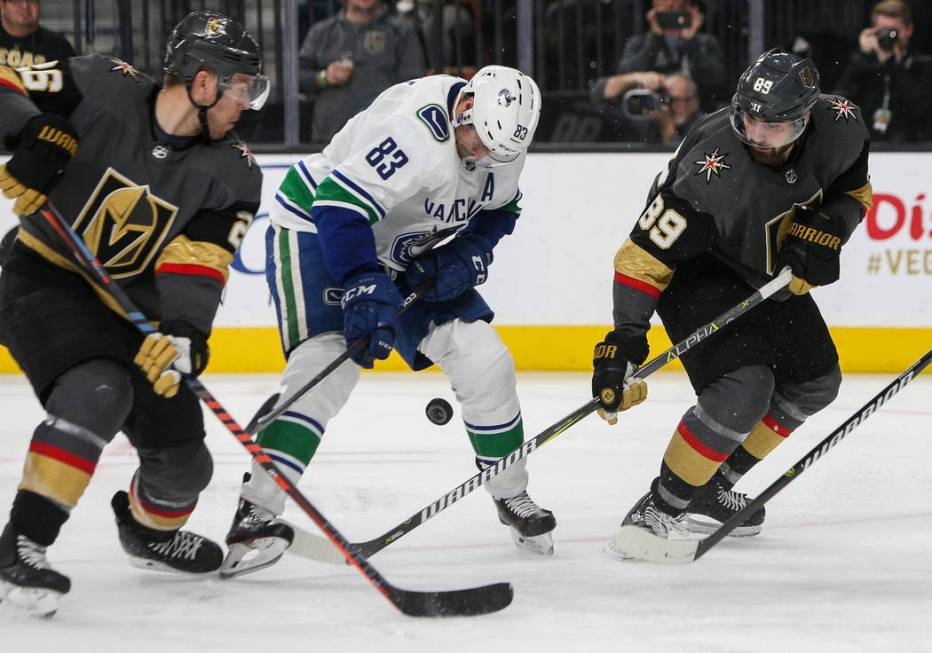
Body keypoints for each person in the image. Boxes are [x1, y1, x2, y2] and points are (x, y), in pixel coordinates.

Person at [220, 65, 556, 578]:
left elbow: (500, 211)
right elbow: (338, 206)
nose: (484, 156)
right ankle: (257, 512)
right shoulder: (414, 131)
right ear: (465, 107)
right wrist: (360, 280)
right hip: (319, 224)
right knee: (329, 363)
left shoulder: (500, 137)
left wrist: (466, 254)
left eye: (497, 152)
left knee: (485, 360)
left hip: (403, 248)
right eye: (478, 142)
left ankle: (512, 494)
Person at [0, 10, 265, 616]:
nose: (246, 103)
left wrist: (185, 332)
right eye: (241, 87)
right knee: (99, 390)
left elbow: (199, 261)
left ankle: (145, 532)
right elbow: (5, 85)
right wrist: (30, 135)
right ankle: (21, 544)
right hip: (44, 277)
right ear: (202, 83)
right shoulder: (98, 82)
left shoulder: (235, 171)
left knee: (184, 465)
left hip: (132, 312)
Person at [590, 49, 872, 560]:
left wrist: (830, 228)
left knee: (816, 382)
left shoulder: (842, 126)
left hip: (762, 270)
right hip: (697, 266)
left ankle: (714, 487)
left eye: (775, 127)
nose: (757, 136)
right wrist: (627, 338)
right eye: (749, 120)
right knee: (745, 387)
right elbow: (643, 255)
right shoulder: (709, 162)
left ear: (806, 118)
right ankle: (659, 507)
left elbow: (854, 193)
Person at [300, 0, 426, 143]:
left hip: (382, 140)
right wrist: (324, 77)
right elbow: (295, 79)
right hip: (329, 140)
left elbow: (415, 86)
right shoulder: (321, 32)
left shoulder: (401, 32)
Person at [590, 0, 726, 114]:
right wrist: (656, 38)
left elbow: (717, 80)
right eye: (666, 8)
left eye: (679, 8)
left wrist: (691, 42)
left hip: (696, 118)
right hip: (652, 121)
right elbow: (623, 78)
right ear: (654, 9)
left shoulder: (705, 43)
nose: (673, 13)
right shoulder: (640, 43)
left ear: (691, 9)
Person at [834, 0, 932, 143]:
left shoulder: (924, 66)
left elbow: (919, 111)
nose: (888, 37)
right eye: (883, 31)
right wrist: (862, 58)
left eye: (894, 32)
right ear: (873, 30)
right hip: (866, 147)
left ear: (909, 30)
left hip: (910, 151)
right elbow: (837, 105)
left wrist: (892, 64)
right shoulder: (860, 64)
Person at [0, 0, 76, 70]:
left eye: (31, 1)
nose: (25, 6)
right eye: (17, 1)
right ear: (2, 4)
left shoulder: (59, 46)